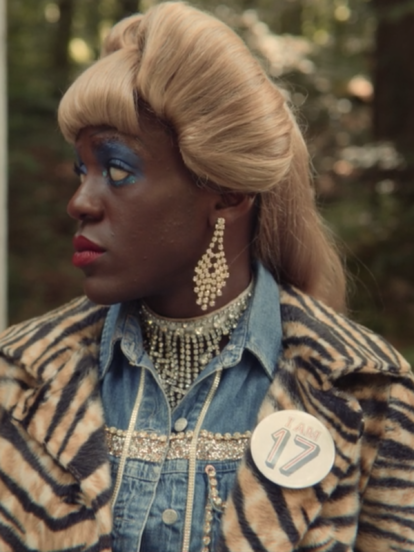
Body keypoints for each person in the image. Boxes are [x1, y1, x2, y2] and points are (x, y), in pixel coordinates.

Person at [1, 2, 414, 551]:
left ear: (228, 194)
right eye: (83, 170)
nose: (80, 202)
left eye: (117, 171)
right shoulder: (18, 376)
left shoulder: (367, 389)